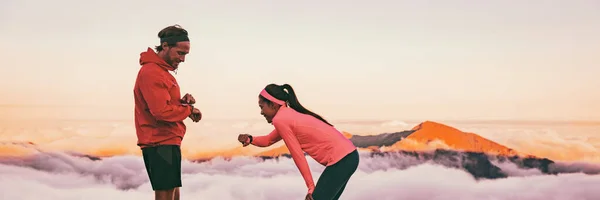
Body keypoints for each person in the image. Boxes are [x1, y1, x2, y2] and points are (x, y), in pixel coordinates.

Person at [238, 84, 359, 200]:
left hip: (342, 160)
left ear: (273, 105)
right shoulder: (287, 115)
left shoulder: (281, 119)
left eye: (262, 107)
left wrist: (311, 187)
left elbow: (297, 154)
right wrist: (250, 139)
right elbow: (268, 140)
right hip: (350, 156)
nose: (261, 112)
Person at [133, 24, 202, 200]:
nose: (183, 59)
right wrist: (188, 109)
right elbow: (161, 112)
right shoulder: (152, 72)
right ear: (165, 46)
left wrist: (182, 103)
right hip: (159, 142)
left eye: (185, 54)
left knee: (173, 193)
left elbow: (162, 105)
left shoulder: (161, 72)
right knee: (165, 195)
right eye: (180, 53)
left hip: (166, 141)